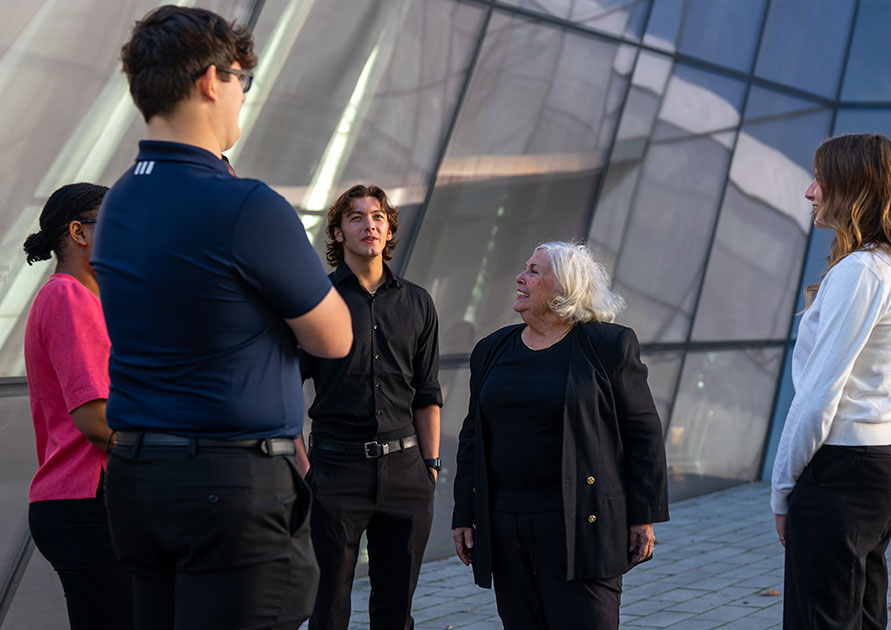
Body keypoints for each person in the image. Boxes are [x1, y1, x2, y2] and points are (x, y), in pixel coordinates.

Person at [92, 6, 352, 629]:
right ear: (213, 80)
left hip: (137, 478)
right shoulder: (247, 206)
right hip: (229, 486)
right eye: (243, 81)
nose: (242, 98)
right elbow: (336, 336)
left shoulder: (118, 200)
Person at [452, 241, 670, 630]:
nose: (521, 277)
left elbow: (644, 434)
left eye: (534, 271)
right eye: (525, 268)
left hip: (582, 524)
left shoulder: (608, 346)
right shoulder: (491, 349)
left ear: (565, 288)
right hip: (507, 523)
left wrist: (643, 515)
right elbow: (473, 437)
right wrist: (464, 515)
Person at [771, 133, 891, 630]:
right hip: (877, 465)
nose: (809, 192)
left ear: (851, 187)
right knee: (862, 618)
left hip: (840, 470)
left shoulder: (862, 271)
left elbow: (819, 395)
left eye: (819, 180)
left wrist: (782, 489)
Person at [301, 184, 442, 630]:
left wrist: (430, 466)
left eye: (378, 216)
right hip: (334, 471)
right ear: (339, 233)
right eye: (357, 217)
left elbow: (427, 391)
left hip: (406, 471)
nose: (370, 225)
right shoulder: (316, 303)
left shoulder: (418, 302)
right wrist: (305, 469)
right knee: (330, 607)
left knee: (396, 609)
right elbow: (285, 387)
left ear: (389, 228)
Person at [23, 183, 133, 630]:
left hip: (87, 502)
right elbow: (95, 420)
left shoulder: (86, 299)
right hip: (87, 500)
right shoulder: (69, 297)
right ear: (78, 232)